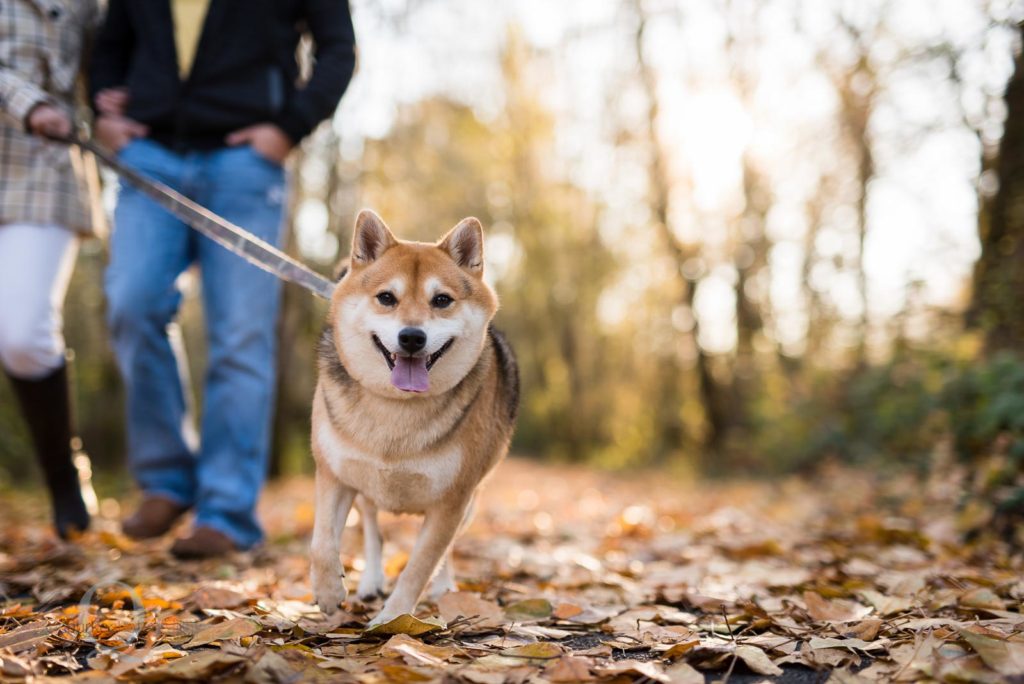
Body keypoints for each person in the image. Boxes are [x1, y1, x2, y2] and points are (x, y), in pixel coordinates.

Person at [89, 0, 356, 558]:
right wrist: (103, 101)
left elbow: (338, 50)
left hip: (245, 162)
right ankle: (167, 481)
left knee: (240, 337)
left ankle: (227, 513)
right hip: (149, 154)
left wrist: (290, 127)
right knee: (131, 304)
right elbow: (111, 41)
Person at [0, 0, 102, 539]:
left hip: (44, 169)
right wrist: (26, 100)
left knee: (23, 333)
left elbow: (107, 61)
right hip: (24, 123)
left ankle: (64, 476)